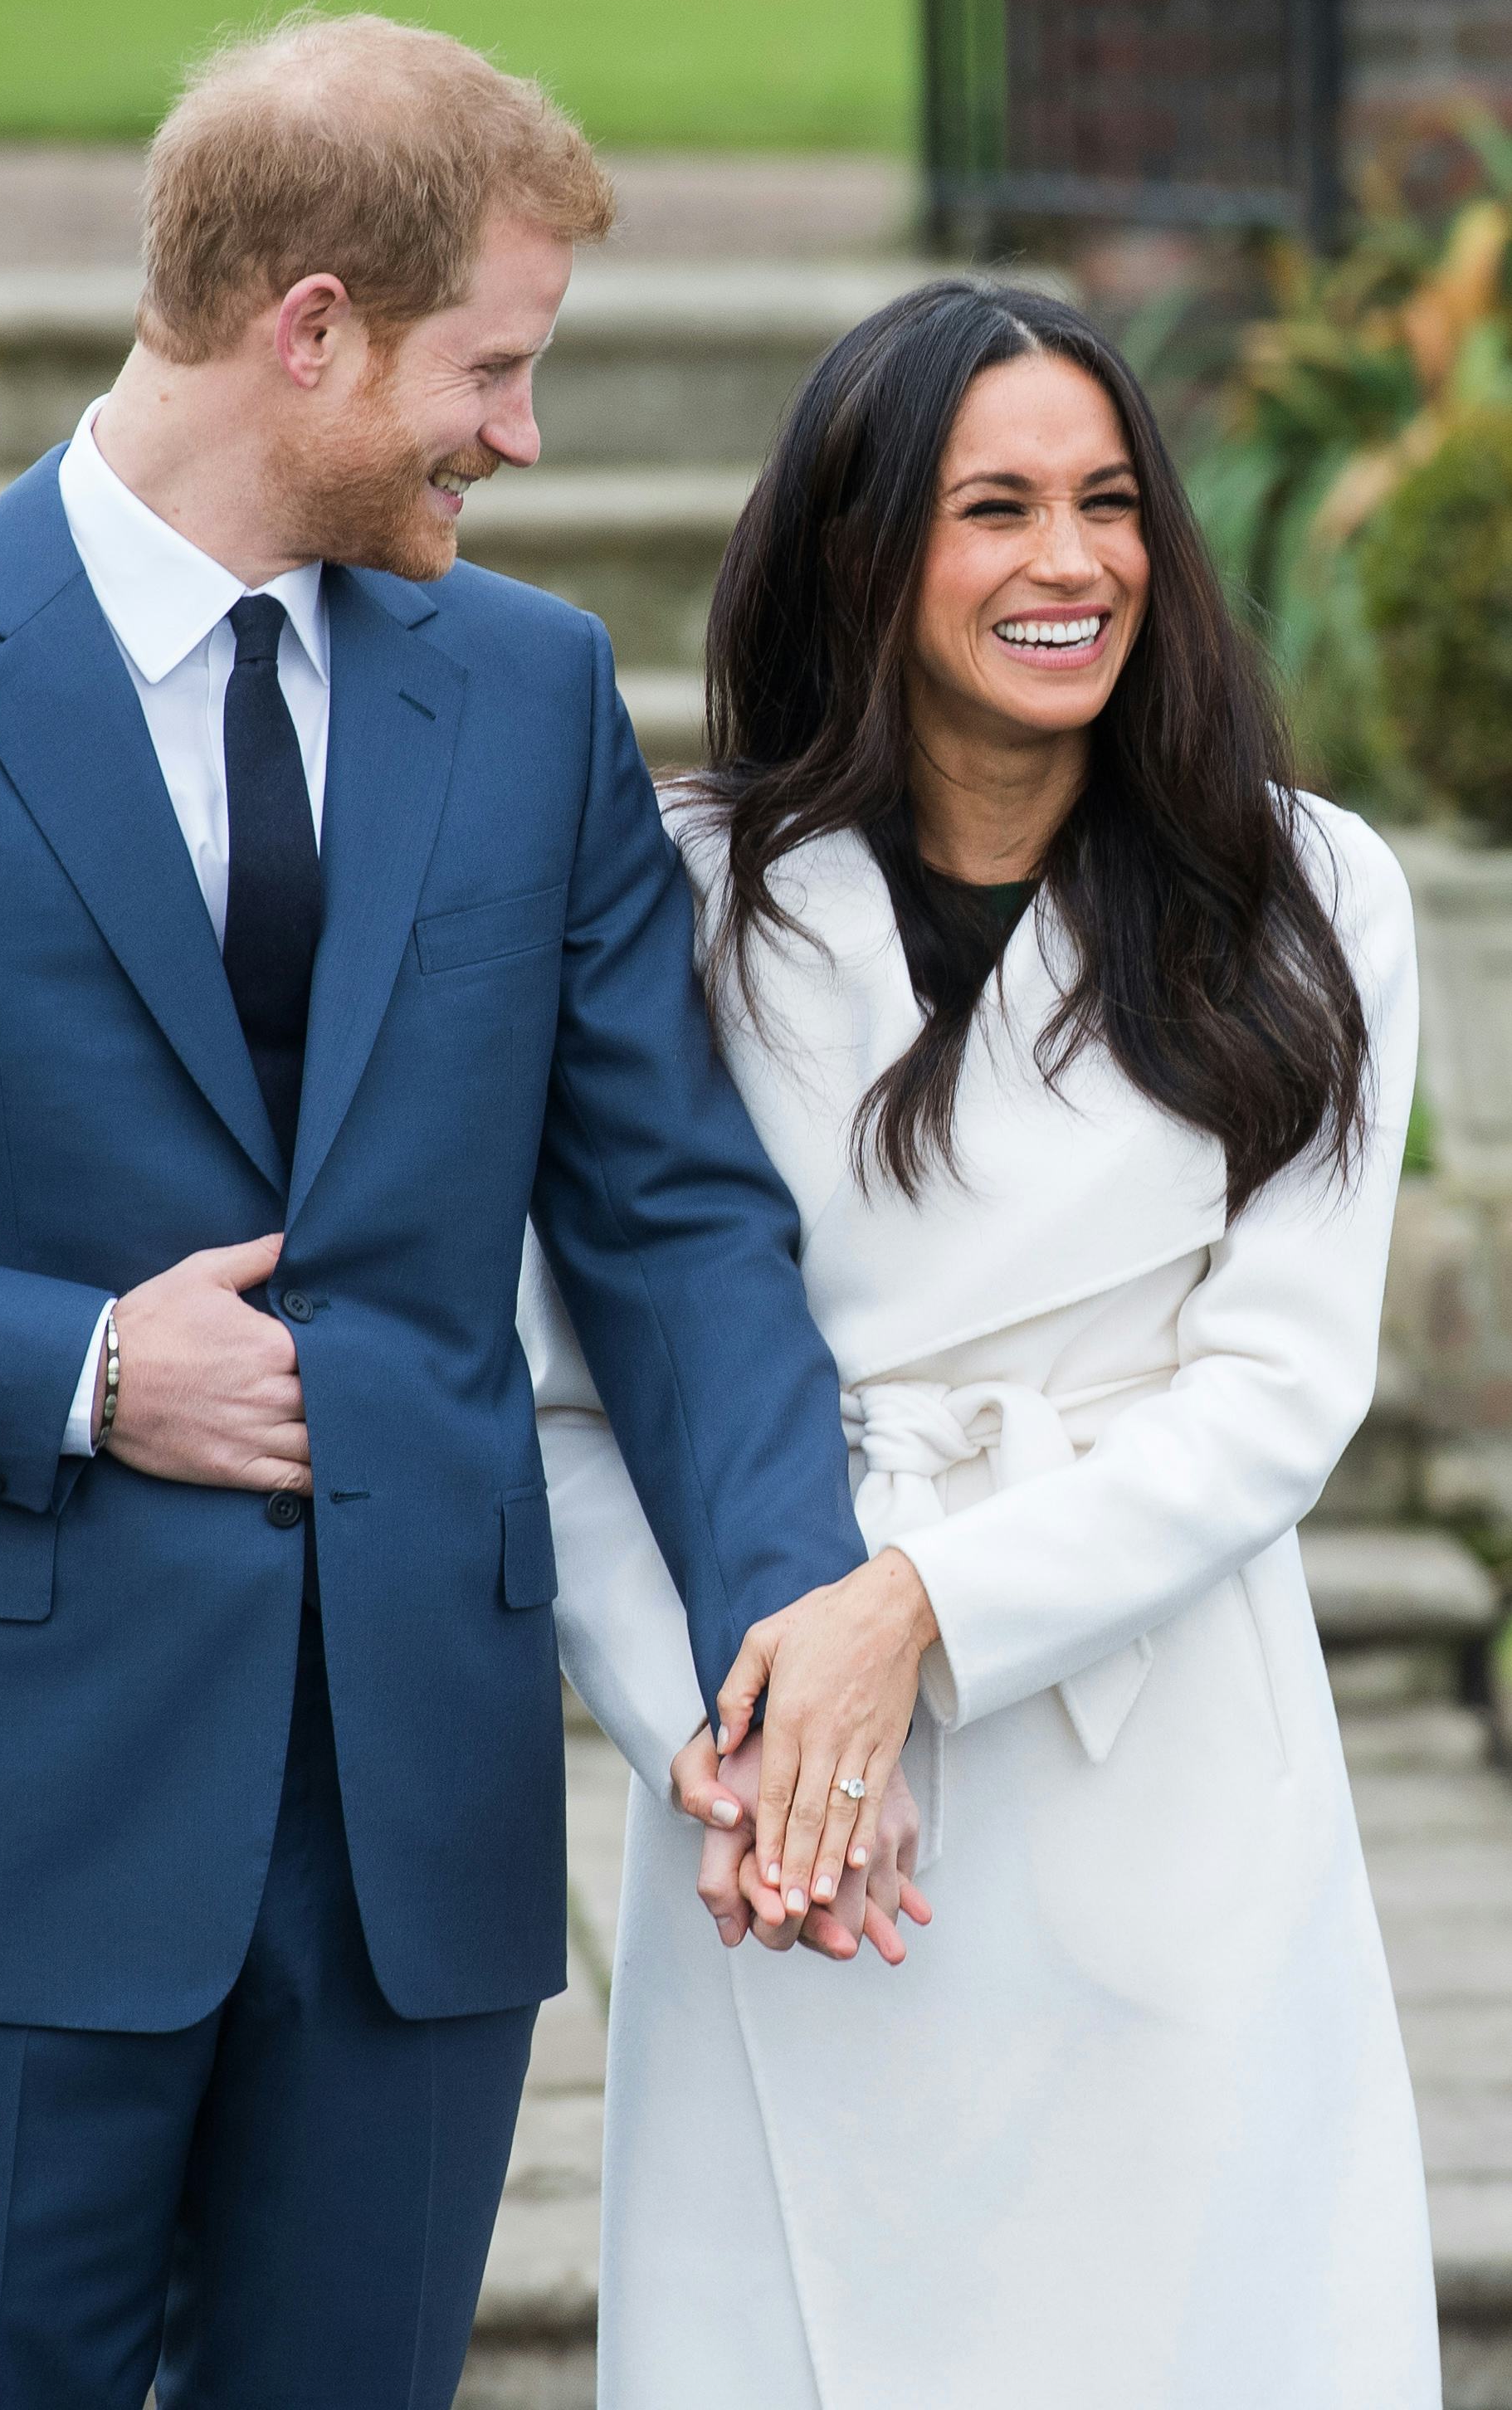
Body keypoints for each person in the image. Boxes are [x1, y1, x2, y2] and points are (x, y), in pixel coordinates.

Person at [0, 15, 901, 2410]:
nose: (521, 432)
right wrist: (69, 1369)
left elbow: (671, 1222)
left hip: (413, 1822)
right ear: (310, 333)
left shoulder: (533, 689)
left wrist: (783, 1629)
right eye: (493, 364)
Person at [521, 278, 1441, 2409]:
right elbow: (561, 1397)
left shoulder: (1305, 893)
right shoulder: (672, 896)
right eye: (994, 506)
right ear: (860, 550)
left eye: (1108, 503)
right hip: (785, 1813)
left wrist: (914, 1613)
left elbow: (1275, 1397)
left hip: (1155, 1751)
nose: (1070, 563)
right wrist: (719, 1729)